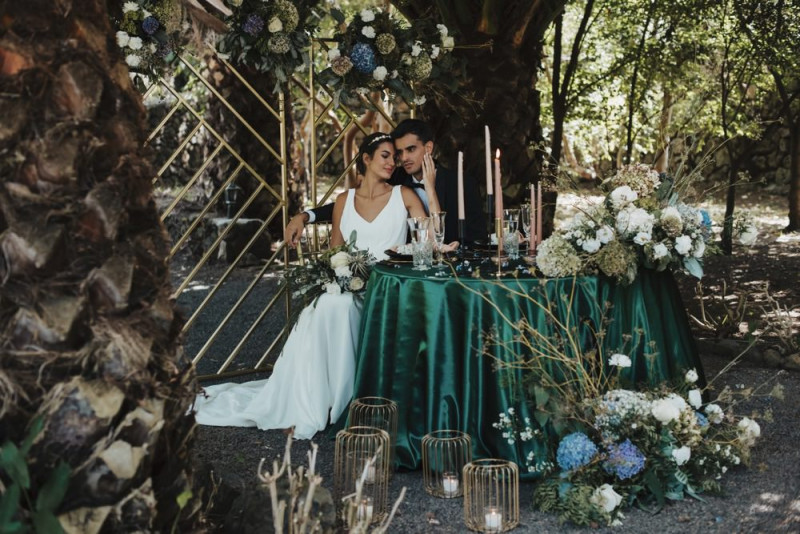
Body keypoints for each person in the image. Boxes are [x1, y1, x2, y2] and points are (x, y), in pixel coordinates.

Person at [194, 133, 432, 439]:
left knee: (338, 306)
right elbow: (335, 253)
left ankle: (343, 403)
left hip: (384, 290)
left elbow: (430, 237)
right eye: (384, 156)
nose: (392, 162)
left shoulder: (404, 195)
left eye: (394, 157)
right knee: (324, 306)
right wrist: (337, 276)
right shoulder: (344, 201)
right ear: (366, 159)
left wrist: (432, 187)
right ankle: (314, 404)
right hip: (348, 283)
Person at [284, 119, 485, 247]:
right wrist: (304, 216)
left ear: (428, 147)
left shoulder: (461, 184)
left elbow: (477, 236)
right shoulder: (396, 179)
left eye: (411, 149)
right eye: (400, 153)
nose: (404, 158)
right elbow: (352, 204)